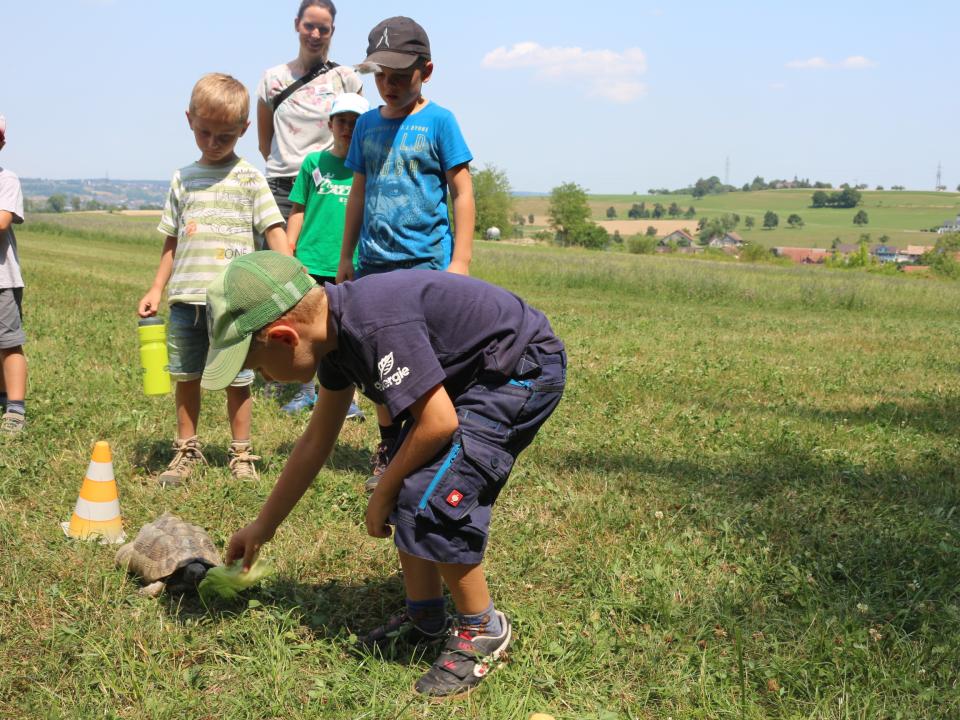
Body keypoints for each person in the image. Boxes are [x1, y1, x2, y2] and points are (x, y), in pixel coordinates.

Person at [203, 251, 565, 698]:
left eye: (257, 368)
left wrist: (385, 488)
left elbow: (439, 423)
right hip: (467, 379)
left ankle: (482, 628)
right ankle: (425, 615)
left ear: (283, 336)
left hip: (516, 371)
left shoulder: (375, 325)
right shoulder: (334, 341)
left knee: (429, 491)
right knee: (407, 485)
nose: (263, 377)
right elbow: (316, 441)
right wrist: (263, 526)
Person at [336, 16, 476, 490]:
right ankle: (389, 441)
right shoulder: (368, 125)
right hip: (374, 264)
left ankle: (436, 444)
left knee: (427, 360)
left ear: (427, 71)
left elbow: (462, 192)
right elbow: (358, 191)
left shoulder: (440, 122)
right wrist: (345, 255)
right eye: (380, 76)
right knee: (381, 362)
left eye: (400, 76)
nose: (389, 86)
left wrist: (460, 262)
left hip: (426, 265)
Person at [137, 73, 290, 486]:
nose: (213, 142)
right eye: (205, 132)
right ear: (189, 120)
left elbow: (274, 230)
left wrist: (294, 280)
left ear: (243, 129)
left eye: (225, 135)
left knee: (238, 381)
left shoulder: (250, 178)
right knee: (186, 376)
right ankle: (186, 450)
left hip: (234, 304)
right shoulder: (182, 179)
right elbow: (170, 241)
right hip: (185, 299)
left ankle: (241, 455)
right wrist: (156, 288)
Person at [275, 92, 369, 419]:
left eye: (356, 123)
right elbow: (298, 209)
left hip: (350, 264)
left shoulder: (368, 168)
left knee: (345, 335)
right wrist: (289, 250)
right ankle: (305, 391)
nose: (347, 128)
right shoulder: (314, 164)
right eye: (341, 121)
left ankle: (346, 398)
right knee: (306, 330)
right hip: (310, 261)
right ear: (330, 125)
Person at [257, 0, 363, 221]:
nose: (315, 34)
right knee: (278, 257)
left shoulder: (346, 79)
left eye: (323, 29)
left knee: (321, 255)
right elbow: (264, 143)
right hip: (281, 190)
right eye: (309, 26)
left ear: (332, 31)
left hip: (326, 188)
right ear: (297, 24)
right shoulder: (273, 79)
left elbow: (357, 137)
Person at [0, 114, 28, 436]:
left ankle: (16, 408)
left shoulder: (7, 180)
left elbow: (3, 221)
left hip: (3, 281)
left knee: (8, 344)